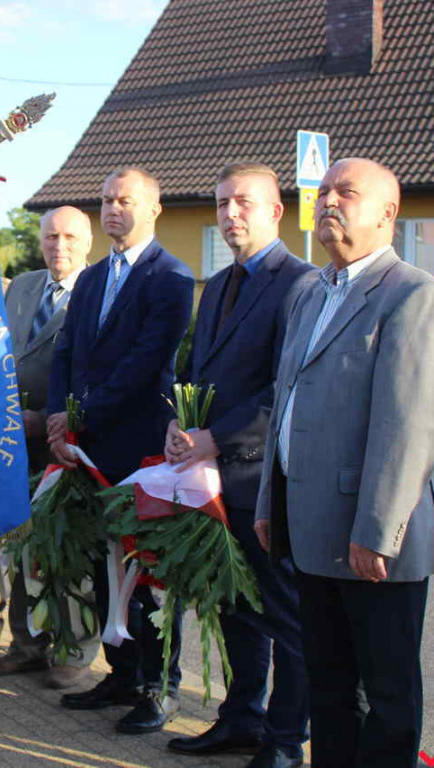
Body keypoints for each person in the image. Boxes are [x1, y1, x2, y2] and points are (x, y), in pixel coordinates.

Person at [255, 158, 434, 768]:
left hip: (373, 538)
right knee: (328, 685)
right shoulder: (310, 292)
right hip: (309, 527)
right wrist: (270, 501)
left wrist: (377, 531)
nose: (328, 201)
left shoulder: (412, 293)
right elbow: (285, 401)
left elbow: (407, 427)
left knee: (387, 693)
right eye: (324, 191)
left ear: (388, 212)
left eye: (347, 192)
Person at [165, 163, 315, 768]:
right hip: (217, 481)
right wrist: (179, 423)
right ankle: (241, 720)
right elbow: (197, 372)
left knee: (286, 616)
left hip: (264, 481)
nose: (230, 214)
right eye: (222, 203)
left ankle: (285, 742)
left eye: (243, 202)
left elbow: (287, 388)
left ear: (276, 211)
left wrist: (216, 438)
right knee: (235, 607)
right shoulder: (220, 284)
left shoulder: (298, 283)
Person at [50, 168, 194, 734]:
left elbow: (144, 364)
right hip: (89, 450)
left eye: (125, 200)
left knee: (147, 574)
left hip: (141, 450)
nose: (113, 208)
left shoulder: (171, 277)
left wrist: (79, 414)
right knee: (104, 568)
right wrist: (62, 419)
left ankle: (161, 687)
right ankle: (122, 673)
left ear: (154, 208)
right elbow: (66, 352)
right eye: (107, 199)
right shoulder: (91, 279)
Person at [0, 205, 91, 688]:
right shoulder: (22, 286)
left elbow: (93, 372)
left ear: (87, 243)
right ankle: (25, 645)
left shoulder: (96, 290)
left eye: (69, 237)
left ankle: (72, 651)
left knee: (67, 555)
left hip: (65, 443)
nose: (58, 246)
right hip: (13, 445)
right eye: (50, 236)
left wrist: (45, 419)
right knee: (19, 550)